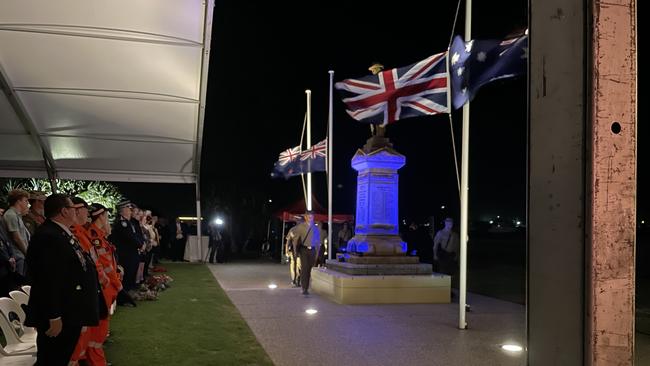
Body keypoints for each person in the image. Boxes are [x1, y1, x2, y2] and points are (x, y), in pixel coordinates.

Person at [25, 193, 104, 365]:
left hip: (70, 310)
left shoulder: (60, 232)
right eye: (72, 208)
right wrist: (54, 316)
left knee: (60, 356)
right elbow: (47, 279)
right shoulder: (49, 236)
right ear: (64, 211)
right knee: (52, 358)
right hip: (60, 314)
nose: (76, 212)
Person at [292, 211, 323, 296]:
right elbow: (295, 240)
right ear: (305, 217)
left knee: (309, 269)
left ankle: (306, 286)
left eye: (311, 216)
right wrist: (295, 252)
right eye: (308, 216)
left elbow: (318, 242)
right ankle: (304, 288)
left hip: (312, 250)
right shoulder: (301, 227)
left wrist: (317, 253)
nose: (310, 218)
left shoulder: (316, 228)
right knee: (304, 268)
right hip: (304, 250)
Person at [2, 189, 30, 277]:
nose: (27, 203)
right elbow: (17, 237)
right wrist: (27, 253)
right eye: (25, 200)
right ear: (18, 201)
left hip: (21, 256)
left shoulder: (16, 215)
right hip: (17, 256)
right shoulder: (11, 215)